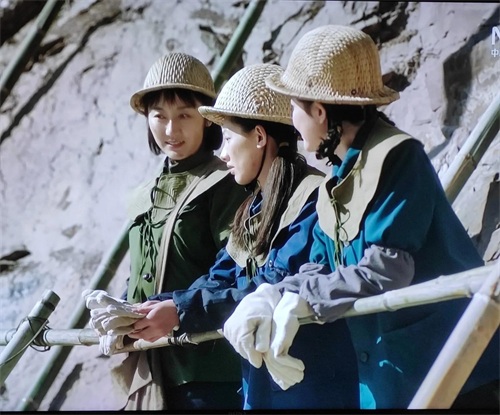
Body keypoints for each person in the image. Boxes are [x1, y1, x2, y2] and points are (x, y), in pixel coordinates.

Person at [223, 25, 499, 409]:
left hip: (454, 373)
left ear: (319, 112)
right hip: (389, 384)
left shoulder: (398, 157)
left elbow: (389, 267)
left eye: (294, 106)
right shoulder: (336, 179)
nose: (292, 121)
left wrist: (304, 298)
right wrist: (274, 294)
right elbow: (321, 264)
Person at [124, 63, 360, 410]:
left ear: (260, 137)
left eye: (229, 138)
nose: (223, 153)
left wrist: (181, 311)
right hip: (263, 386)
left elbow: (271, 283)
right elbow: (221, 277)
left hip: (311, 384)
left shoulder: (311, 199)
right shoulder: (254, 208)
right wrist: (148, 308)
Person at [86, 52, 247, 410]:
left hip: (209, 373)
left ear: (207, 119)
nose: (171, 131)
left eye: (184, 115)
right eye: (159, 116)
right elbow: (145, 274)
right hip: (152, 369)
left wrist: (178, 309)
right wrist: (121, 313)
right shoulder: (144, 194)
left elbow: (236, 271)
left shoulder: (226, 183)